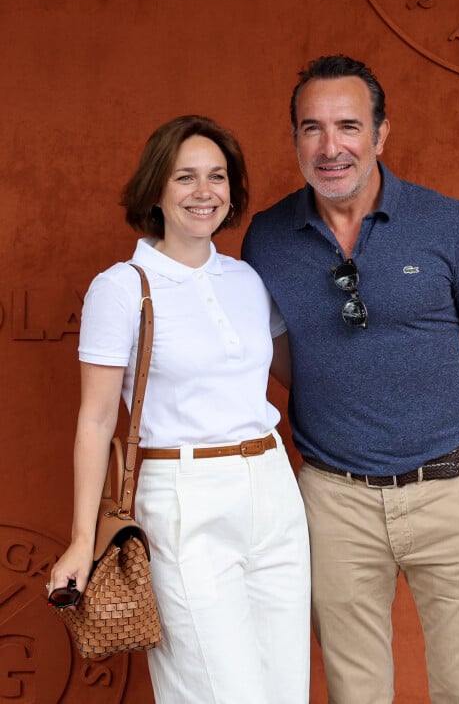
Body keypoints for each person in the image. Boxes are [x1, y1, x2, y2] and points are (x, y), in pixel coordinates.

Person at [242, 55, 459, 704]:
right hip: (334, 502)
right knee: (355, 695)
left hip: (450, 491)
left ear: (381, 133)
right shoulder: (267, 238)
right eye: (311, 128)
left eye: (348, 125)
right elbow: (279, 355)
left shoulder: (448, 224)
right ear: (294, 140)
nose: (331, 145)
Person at [49, 115, 311, 704]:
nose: (204, 192)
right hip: (183, 496)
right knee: (217, 692)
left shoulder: (248, 280)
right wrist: (80, 539)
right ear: (156, 191)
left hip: (272, 490)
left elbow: (294, 376)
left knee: (286, 689)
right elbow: (95, 421)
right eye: (185, 177)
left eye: (217, 177)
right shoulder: (122, 286)